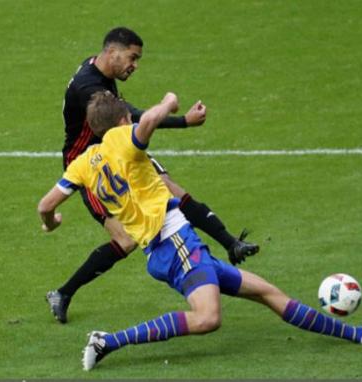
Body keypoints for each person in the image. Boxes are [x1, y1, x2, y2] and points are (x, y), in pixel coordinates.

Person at [37, 91, 362, 371]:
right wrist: (169, 101)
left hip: (165, 250)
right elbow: (153, 119)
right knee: (208, 318)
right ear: (124, 118)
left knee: (268, 293)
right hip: (175, 242)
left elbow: (45, 206)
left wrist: (52, 224)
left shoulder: (83, 163)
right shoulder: (121, 138)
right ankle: (107, 341)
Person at [46, 27, 259, 323]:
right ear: (112, 52)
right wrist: (184, 120)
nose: (135, 65)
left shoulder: (97, 68)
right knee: (125, 240)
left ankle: (230, 243)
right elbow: (133, 116)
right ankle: (64, 292)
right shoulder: (87, 86)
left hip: (119, 149)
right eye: (132, 57)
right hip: (92, 164)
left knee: (171, 188)